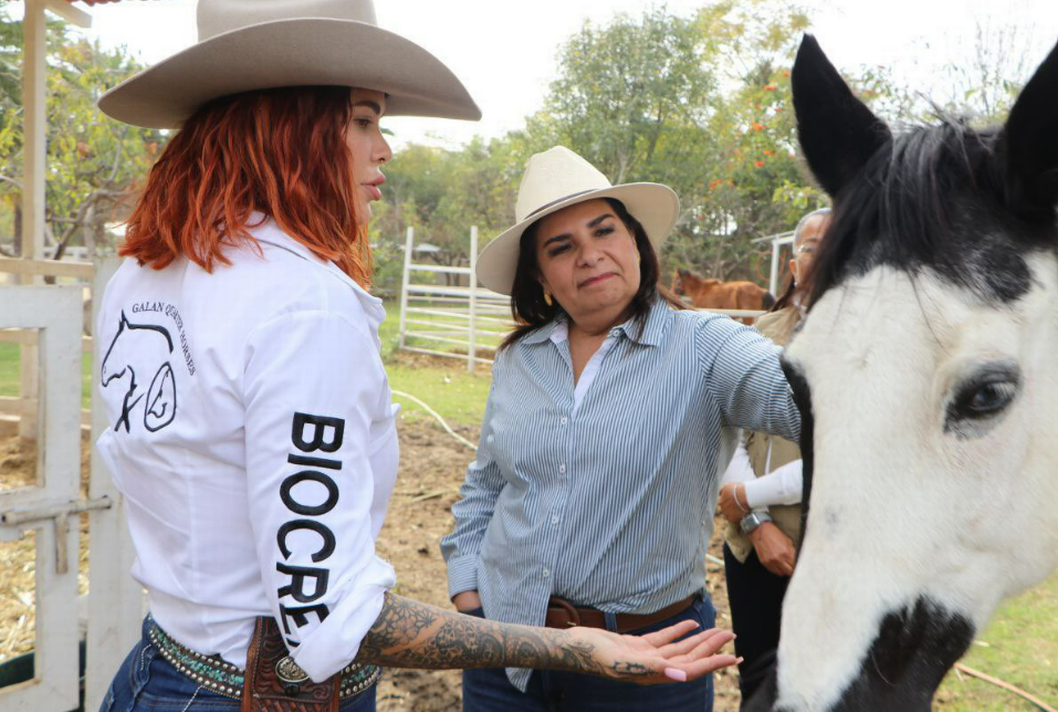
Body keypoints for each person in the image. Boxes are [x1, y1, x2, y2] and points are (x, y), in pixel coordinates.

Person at [92, 3, 738, 711]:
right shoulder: (304, 306)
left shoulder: (146, 274)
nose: (384, 148)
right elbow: (329, 617)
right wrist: (572, 647)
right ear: (292, 125)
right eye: (365, 119)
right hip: (265, 693)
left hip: (165, 664)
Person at [440, 146, 802, 712]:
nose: (590, 255)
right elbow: (486, 485)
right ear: (540, 274)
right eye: (561, 247)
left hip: (649, 659)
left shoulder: (706, 346)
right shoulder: (521, 359)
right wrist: (470, 598)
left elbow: (798, 403)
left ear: (635, 240)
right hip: (508, 653)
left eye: (604, 230)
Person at [716, 207, 830, 704]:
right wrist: (757, 522)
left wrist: (746, 497)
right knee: (760, 683)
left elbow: (842, 457)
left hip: (838, 550)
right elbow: (727, 434)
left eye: (837, 242)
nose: (823, 256)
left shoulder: (879, 341)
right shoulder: (757, 334)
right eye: (810, 247)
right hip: (757, 547)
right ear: (793, 264)